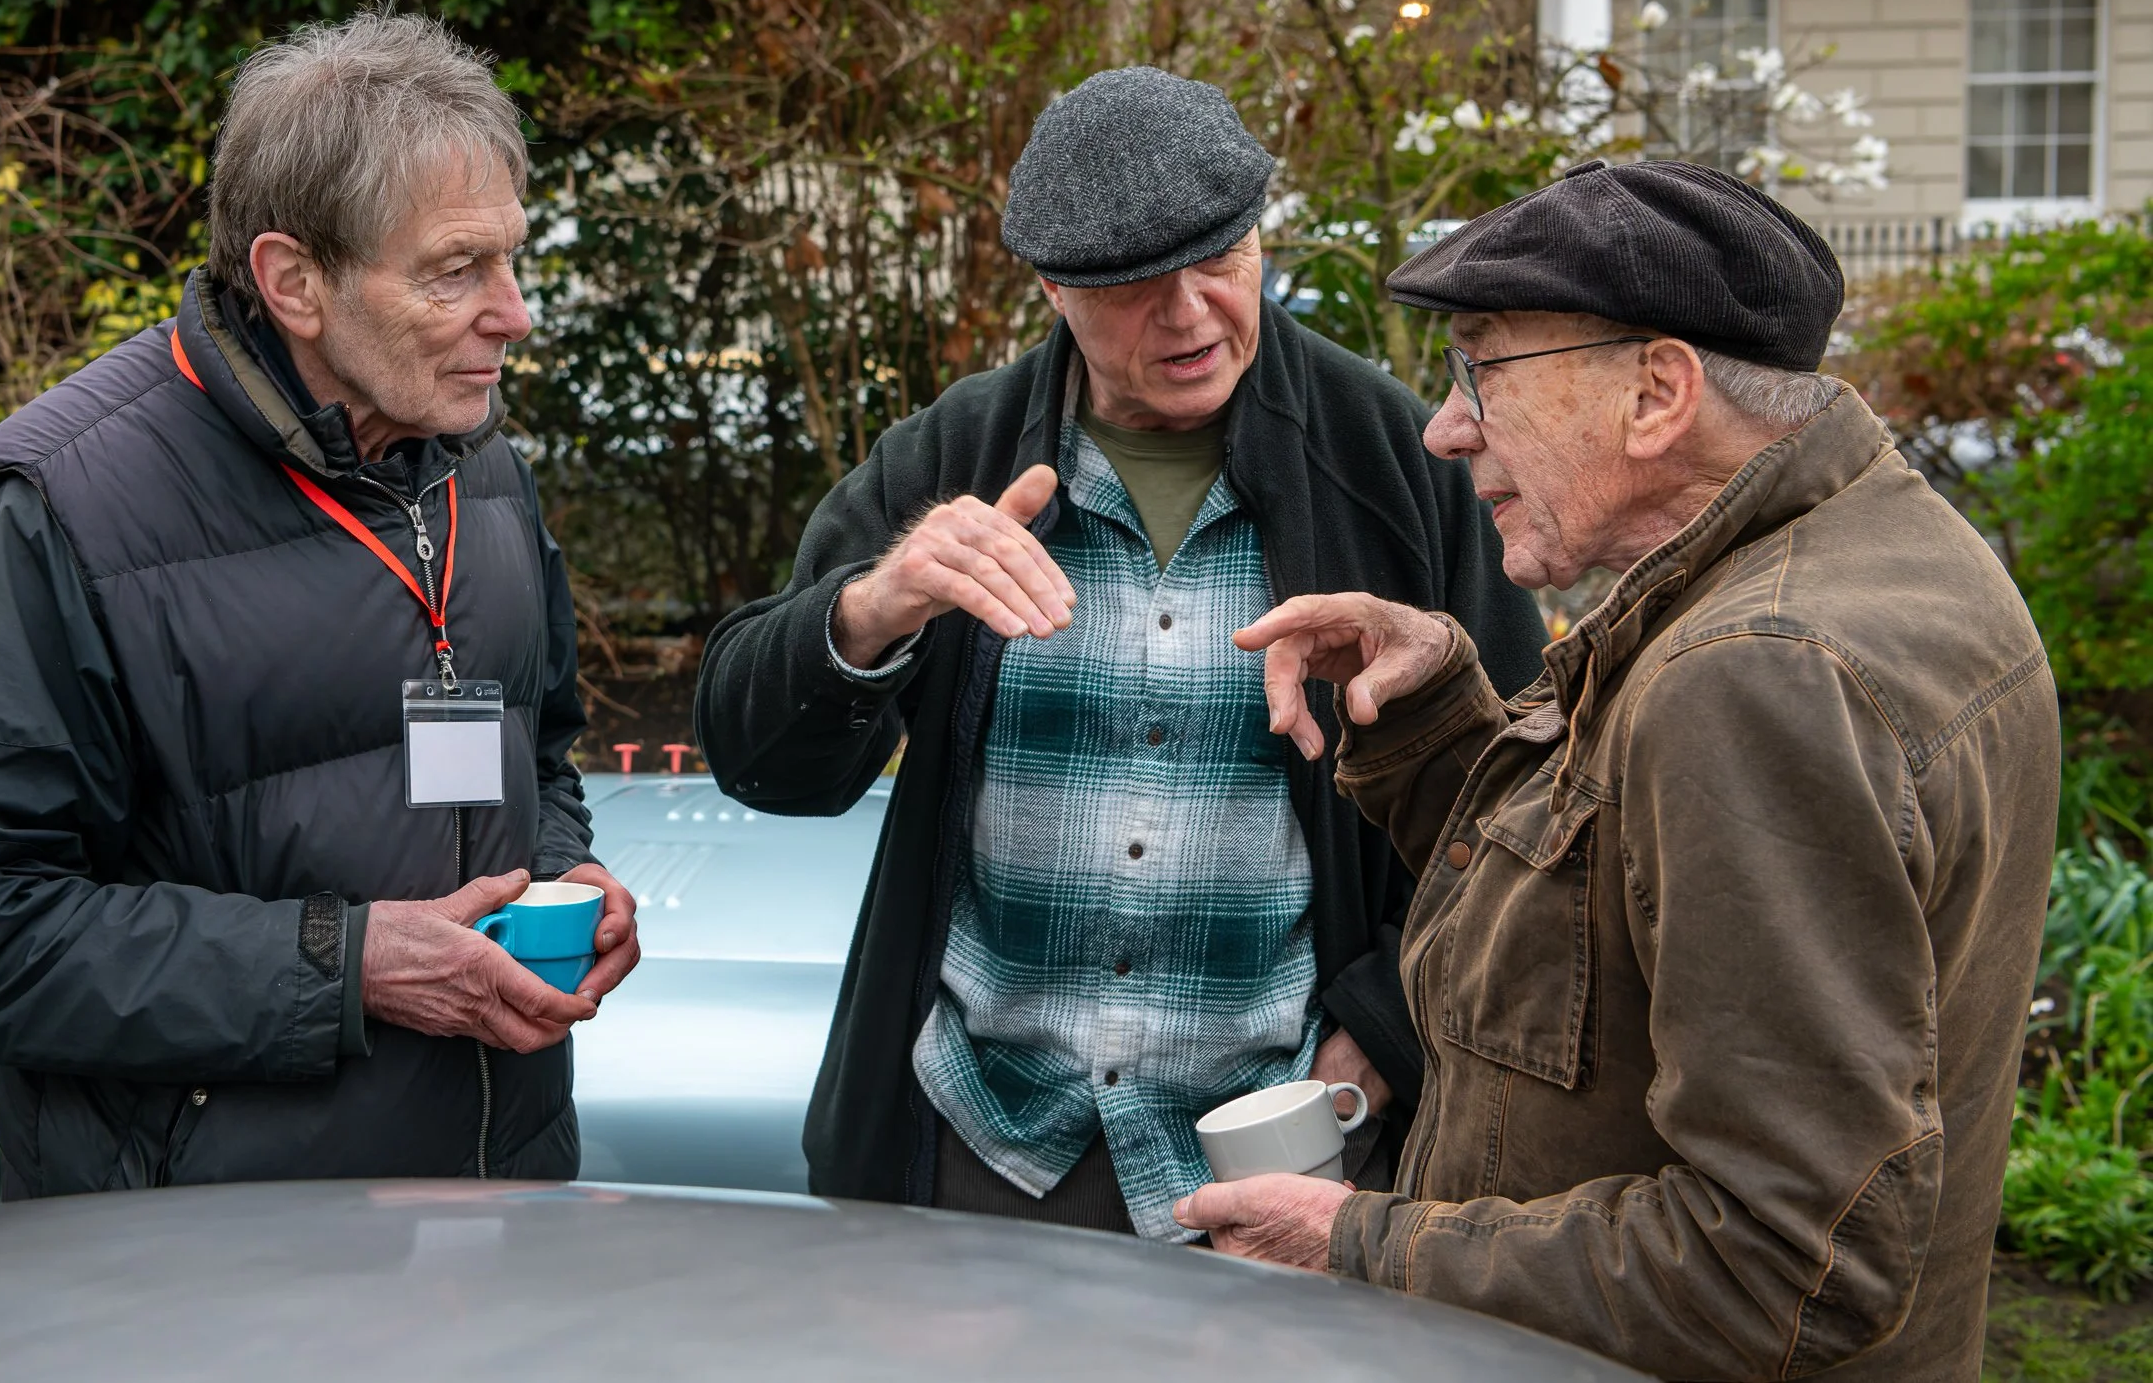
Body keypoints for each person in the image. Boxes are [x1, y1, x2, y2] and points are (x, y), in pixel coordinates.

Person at [1175, 161, 2059, 1381]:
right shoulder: (1870, 547)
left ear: (1657, 391)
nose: (1444, 427)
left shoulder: (1759, 671)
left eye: (1481, 368)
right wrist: (1433, 707)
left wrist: (1356, 1243)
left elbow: (1781, 1259)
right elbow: (1607, 939)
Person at [695, 67, 1546, 1239]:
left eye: (1222, 259)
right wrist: (873, 606)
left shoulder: (1394, 462)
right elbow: (758, 759)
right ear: (1054, 287)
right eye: (1138, 287)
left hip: (1284, 1144)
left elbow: (1524, 805)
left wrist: (1382, 1038)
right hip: (979, 1140)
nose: (1192, 312)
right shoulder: (958, 450)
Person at [0, 12, 638, 1195]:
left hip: (494, 1211)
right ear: (294, 280)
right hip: (215, 1263)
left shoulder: (476, 462)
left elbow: (533, 753)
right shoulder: (60, 510)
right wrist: (346, 964)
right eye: (455, 271)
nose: (515, 311)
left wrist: (564, 874)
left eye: (510, 257)